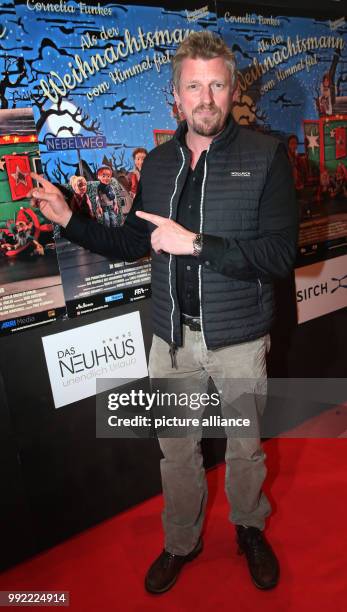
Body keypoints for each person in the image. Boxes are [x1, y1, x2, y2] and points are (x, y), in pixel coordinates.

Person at [31, 31, 298, 594]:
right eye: (193, 86)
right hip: (171, 340)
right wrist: (67, 221)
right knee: (176, 451)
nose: (206, 98)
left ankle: (249, 527)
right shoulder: (154, 164)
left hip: (241, 339)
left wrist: (196, 244)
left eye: (217, 85)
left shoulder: (266, 155)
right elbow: (133, 242)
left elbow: (280, 256)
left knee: (246, 448)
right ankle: (182, 540)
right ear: (175, 95)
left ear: (231, 90)